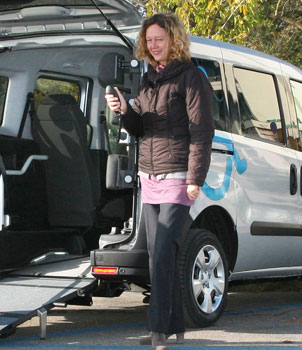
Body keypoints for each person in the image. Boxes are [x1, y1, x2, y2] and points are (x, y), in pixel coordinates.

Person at [105, 13, 214, 350]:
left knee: (164, 251)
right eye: (149, 40)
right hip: (149, 176)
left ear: (173, 40)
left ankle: (157, 334)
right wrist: (125, 110)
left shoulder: (192, 78)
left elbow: (201, 132)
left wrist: (195, 178)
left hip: (179, 176)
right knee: (158, 255)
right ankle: (175, 325)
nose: (153, 45)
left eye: (159, 39)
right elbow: (141, 129)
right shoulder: (149, 80)